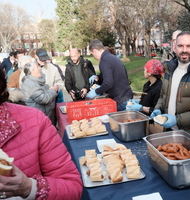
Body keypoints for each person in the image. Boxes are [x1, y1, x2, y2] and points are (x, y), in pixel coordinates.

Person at [0, 69, 82, 199]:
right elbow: (43, 98)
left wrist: (30, 188)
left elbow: (71, 186)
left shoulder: (34, 121)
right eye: (37, 70)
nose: (41, 71)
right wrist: (53, 91)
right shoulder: (30, 84)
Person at [150, 31, 190, 137]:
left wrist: (177, 120)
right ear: (174, 48)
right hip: (168, 130)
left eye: (189, 46)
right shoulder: (169, 69)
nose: (184, 50)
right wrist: (157, 109)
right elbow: (163, 96)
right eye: (180, 46)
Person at [89, 39, 133, 110]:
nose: (93, 56)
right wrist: (98, 77)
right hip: (125, 95)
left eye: (92, 54)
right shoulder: (111, 57)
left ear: (95, 51)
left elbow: (108, 83)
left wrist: (96, 91)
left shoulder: (104, 61)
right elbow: (112, 74)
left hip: (120, 99)